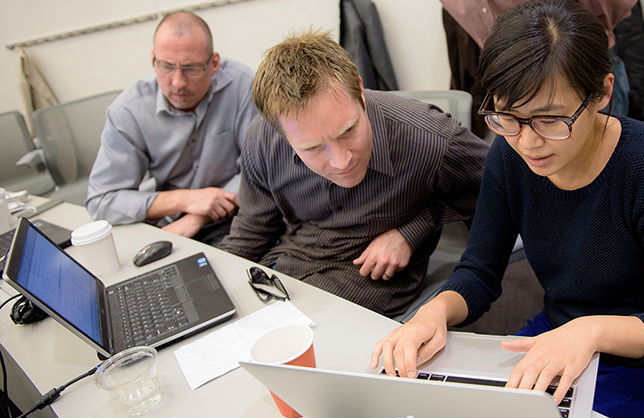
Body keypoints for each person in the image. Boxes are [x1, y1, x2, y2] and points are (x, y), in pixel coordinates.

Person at [370, 1, 644, 418]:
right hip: (559, 340)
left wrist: (591, 330)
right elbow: (480, 270)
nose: (529, 142)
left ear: (601, 93)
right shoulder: (510, 155)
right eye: (509, 118)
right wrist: (436, 312)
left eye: (551, 119)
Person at [217, 30, 488, 318]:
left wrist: (414, 230)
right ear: (280, 134)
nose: (341, 160)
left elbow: (502, 185)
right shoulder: (260, 138)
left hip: (364, 284)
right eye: (312, 148)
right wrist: (211, 282)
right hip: (285, 268)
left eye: (348, 131)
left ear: (359, 88)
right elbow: (253, 228)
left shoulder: (430, 138)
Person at [86, 11, 258, 246]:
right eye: (166, 66)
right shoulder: (127, 112)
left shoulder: (244, 86)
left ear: (214, 63)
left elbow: (263, 170)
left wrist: (199, 214)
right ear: (153, 60)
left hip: (242, 214)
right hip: (172, 224)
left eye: (191, 68)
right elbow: (102, 201)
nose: (178, 82)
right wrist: (185, 200)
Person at [440, 0, 636, 137]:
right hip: (491, 65)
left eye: (549, 120)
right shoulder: (504, 153)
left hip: (572, 62)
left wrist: (571, 36)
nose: (529, 142)